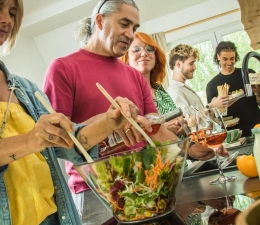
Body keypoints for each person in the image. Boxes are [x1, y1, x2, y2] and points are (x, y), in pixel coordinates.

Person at [0, 0, 149, 224]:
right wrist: (30, 141)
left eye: (12, 13)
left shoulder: (25, 87)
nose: (7, 20)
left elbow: (67, 142)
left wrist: (110, 122)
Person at [43, 1, 228, 224]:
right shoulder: (63, 68)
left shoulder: (135, 76)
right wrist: (107, 120)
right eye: (124, 24)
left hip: (148, 181)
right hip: (97, 191)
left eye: (135, 27)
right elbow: (56, 143)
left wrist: (191, 150)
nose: (130, 34)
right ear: (100, 21)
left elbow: (155, 131)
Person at [120, 31, 183, 136]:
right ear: (126, 58)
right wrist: (161, 131)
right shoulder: (125, 95)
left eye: (149, 49)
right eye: (136, 49)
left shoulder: (160, 91)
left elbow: (177, 121)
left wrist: (182, 124)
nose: (144, 53)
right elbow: (128, 138)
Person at [205, 41, 260, 137]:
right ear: (218, 57)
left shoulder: (248, 73)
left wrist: (258, 93)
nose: (229, 63)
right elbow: (212, 116)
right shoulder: (212, 85)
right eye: (225, 59)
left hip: (258, 127)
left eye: (232, 58)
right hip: (235, 135)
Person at [167, 44, 225, 112]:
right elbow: (187, 121)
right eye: (191, 64)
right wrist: (211, 105)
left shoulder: (183, 88)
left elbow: (200, 118)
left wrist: (216, 105)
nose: (194, 67)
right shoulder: (175, 92)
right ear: (178, 64)